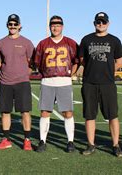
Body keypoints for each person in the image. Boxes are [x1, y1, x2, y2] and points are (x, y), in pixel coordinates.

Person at [78, 12, 122, 157]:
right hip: (89, 83)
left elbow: (120, 61)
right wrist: (93, 70)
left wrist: (107, 72)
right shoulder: (86, 39)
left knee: (112, 115)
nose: (101, 24)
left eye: (103, 22)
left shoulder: (114, 40)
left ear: (108, 23)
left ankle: (116, 145)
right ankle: (91, 144)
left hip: (107, 83)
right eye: (98, 22)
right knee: (90, 115)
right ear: (94, 23)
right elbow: (81, 59)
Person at [33, 15, 78, 153]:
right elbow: (37, 63)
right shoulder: (43, 43)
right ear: (49, 26)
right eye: (53, 24)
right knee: (45, 112)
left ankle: (70, 141)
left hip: (64, 81)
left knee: (67, 112)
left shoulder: (70, 42)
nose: (55, 27)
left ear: (62, 26)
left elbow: (76, 61)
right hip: (48, 81)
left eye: (58, 24)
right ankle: (42, 141)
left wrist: (71, 74)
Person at [0, 14, 35, 151]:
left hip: (22, 82)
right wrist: (7, 71)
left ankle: (27, 140)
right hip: (5, 82)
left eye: (15, 24)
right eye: (10, 24)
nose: (12, 26)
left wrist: (23, 73)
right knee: (5, 112)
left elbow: (32, 63)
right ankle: (6, 139)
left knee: (25, 111)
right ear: (7, 25)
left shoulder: (27, 42)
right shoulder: (1, 43)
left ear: (20, 26)